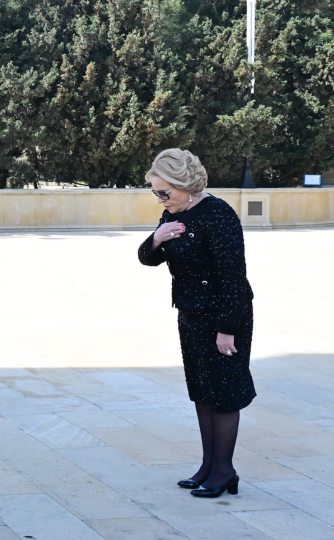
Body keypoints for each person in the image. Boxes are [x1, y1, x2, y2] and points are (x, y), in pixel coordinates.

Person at [138, 148, 255, 499]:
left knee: (223, 393)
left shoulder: (218, 215)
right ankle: (207, 465)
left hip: (223, 319)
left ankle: (224, 470)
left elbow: (234, 277)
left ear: (185, 185)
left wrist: (227, 329)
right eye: (155, 193)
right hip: (190, 316)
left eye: (164, 193)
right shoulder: (172, 213)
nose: (160, 200)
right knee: (202, 392)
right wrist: (157, 239)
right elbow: (147, 258)